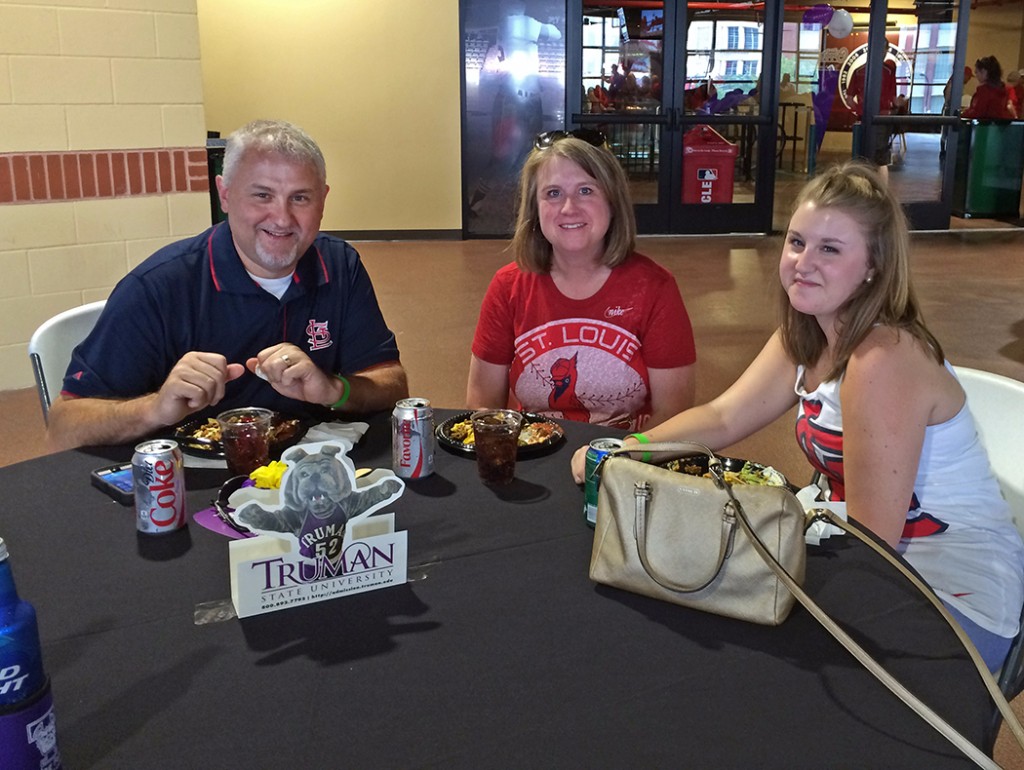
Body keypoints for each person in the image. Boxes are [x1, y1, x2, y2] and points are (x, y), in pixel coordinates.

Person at [571, 161, 1024, 670]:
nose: (803, 262)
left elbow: (875, 538)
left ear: (873, 264)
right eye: (797, 242)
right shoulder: (806, 333)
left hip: (946, 589)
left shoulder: (883, 357)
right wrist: (628, 449)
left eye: (830, 249)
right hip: (857, 547)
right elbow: (722, 417)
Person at [46, 119, 408, 450]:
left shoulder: (339, 265)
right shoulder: (158, 287)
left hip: (312, 473)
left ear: (323, 201)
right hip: (192, 485)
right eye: (262, 195)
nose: (282, 218)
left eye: (300, 197)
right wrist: (155, 408)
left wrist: (333, 389)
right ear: (225, 194)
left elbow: (391, 384)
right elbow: (64, 425)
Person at [467, 129, 697, 432]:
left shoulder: (655, 288)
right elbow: (481, 405)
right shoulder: (507, 286)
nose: (568, 207)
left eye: (586, 190)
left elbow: (673, 414)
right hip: (533, 460)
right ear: (534, 210)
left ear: (613, 201)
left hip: (628, 465)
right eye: (553, 193)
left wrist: (614, 461)